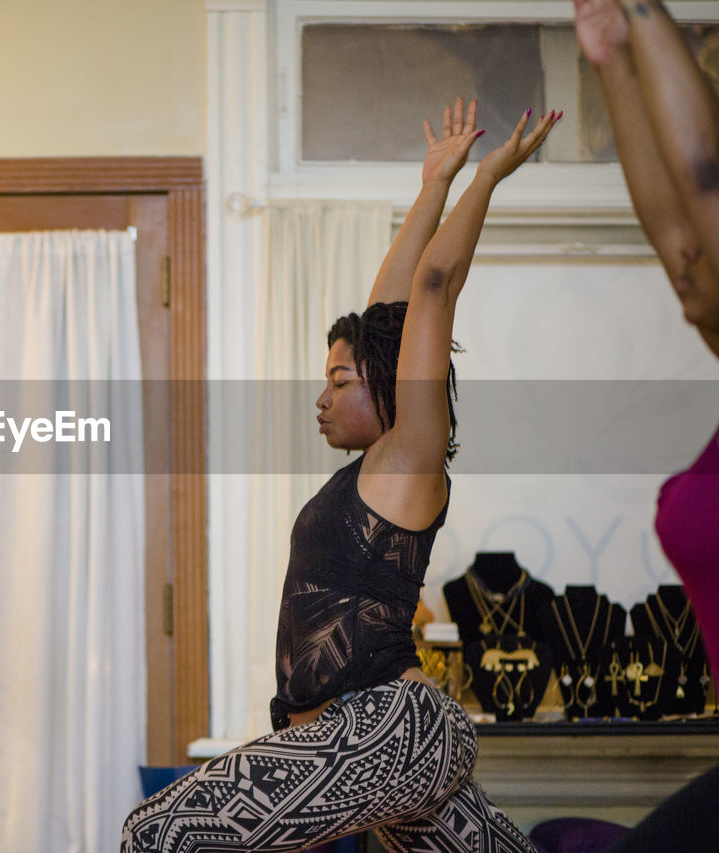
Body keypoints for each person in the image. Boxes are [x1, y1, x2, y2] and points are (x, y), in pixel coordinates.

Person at [121, 100, 559, 853]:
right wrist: (432, 186)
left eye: (339, 379)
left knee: (161, 830)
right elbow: (388, 306)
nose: (321, 397)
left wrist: (485, 178)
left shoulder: (410, 453)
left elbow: (431, 289)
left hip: (389, 727)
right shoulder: (367, 472)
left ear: (386, 388)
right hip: (379, 740)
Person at [573, 1, 719, 850]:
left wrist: (645, 12)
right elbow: (673, 226)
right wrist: (611, 58)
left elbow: (707, 180)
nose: (691, 253)